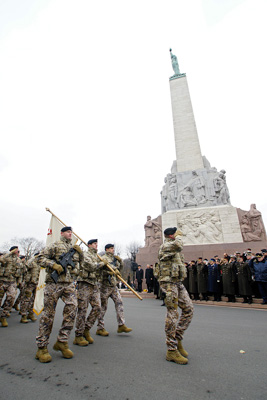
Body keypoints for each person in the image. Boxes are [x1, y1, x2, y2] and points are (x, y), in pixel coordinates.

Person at [35, 226, 83, 363]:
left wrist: (80, 254)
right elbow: (39, 258)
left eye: (71, 232)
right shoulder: (55, 245)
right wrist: (53, 265)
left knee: (72, 309)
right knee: (48, 315)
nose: (70, 234)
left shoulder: (74, 249)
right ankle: (42, 347)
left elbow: (80, 266)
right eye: (68, 232)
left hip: (68, 283)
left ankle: (62, 341)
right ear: (62, 233)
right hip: (53, 284)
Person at [158, 227, 194, 365]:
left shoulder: (172, 246)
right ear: (171, 235)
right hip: (168, 283)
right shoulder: (166, 245)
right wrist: (178, 237)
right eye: (176, 234)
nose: (178, 236)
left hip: (177, 282)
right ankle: (171, 350)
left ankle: (177, 338)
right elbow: (179, 245)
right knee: (172, 314)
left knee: (189, 309)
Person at [96, 244, 132, 336]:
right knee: (103, 307)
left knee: (119, 303)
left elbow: (119, 269)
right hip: (104, 285)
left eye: (113, 248)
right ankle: (100, 327)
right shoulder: (102, 258)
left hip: (113, 285)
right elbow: (99, 270)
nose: (113, 250)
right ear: (107, 249)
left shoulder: (114, 259)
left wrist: (120, 262)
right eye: (111, 248)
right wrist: (110, 271)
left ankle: (121, 325)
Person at [74, 239, 102, 346]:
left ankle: (86, 329)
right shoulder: (85, 254)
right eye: (94, 244)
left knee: (97, 307)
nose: (96, 245)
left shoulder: (97, 256)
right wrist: (101, 264)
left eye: (97, 244)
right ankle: (78, 335)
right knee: (82, 309)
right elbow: (89, 266)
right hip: (84, 283)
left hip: (94, 283)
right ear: (89, 245)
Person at [0, 246, 22, 327]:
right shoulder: (5, 257)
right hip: (2, 280)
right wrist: (10, 253)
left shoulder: (18, 260)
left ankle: (3, 316)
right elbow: (1, 260)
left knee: (12, 297)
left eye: (18, 250)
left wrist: (19, 281)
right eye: (15, 250)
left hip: (12, 281)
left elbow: (20, 271)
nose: (17, 251)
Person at [19, 252, 41, 323]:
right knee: (26, 299)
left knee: (34, 300)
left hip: (37, 284)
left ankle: (30, 313)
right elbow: (24, 268)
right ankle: (23, 315)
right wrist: (34, 257)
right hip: (29, 283)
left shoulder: (40, 264)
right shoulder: (32, 262)